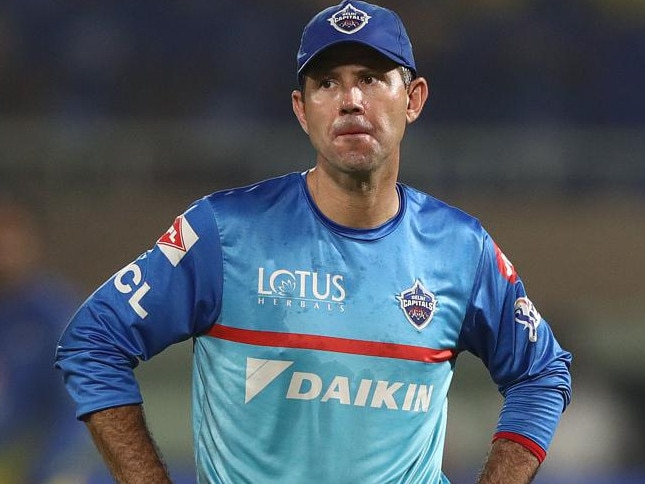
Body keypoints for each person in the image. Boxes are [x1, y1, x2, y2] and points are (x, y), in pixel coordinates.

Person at [55, 1, 572, 483]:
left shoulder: (461, 249)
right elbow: (93, 341)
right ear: (303, 110)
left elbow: (543, 373)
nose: (350, 100)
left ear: (412, 99)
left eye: (370, 79)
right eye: (328, 83)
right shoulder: (224, 233)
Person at [0, 196, 96, 483]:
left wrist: (41, 467)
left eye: (13, 238)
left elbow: (74, 407)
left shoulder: (55, 313)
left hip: (39, 458)